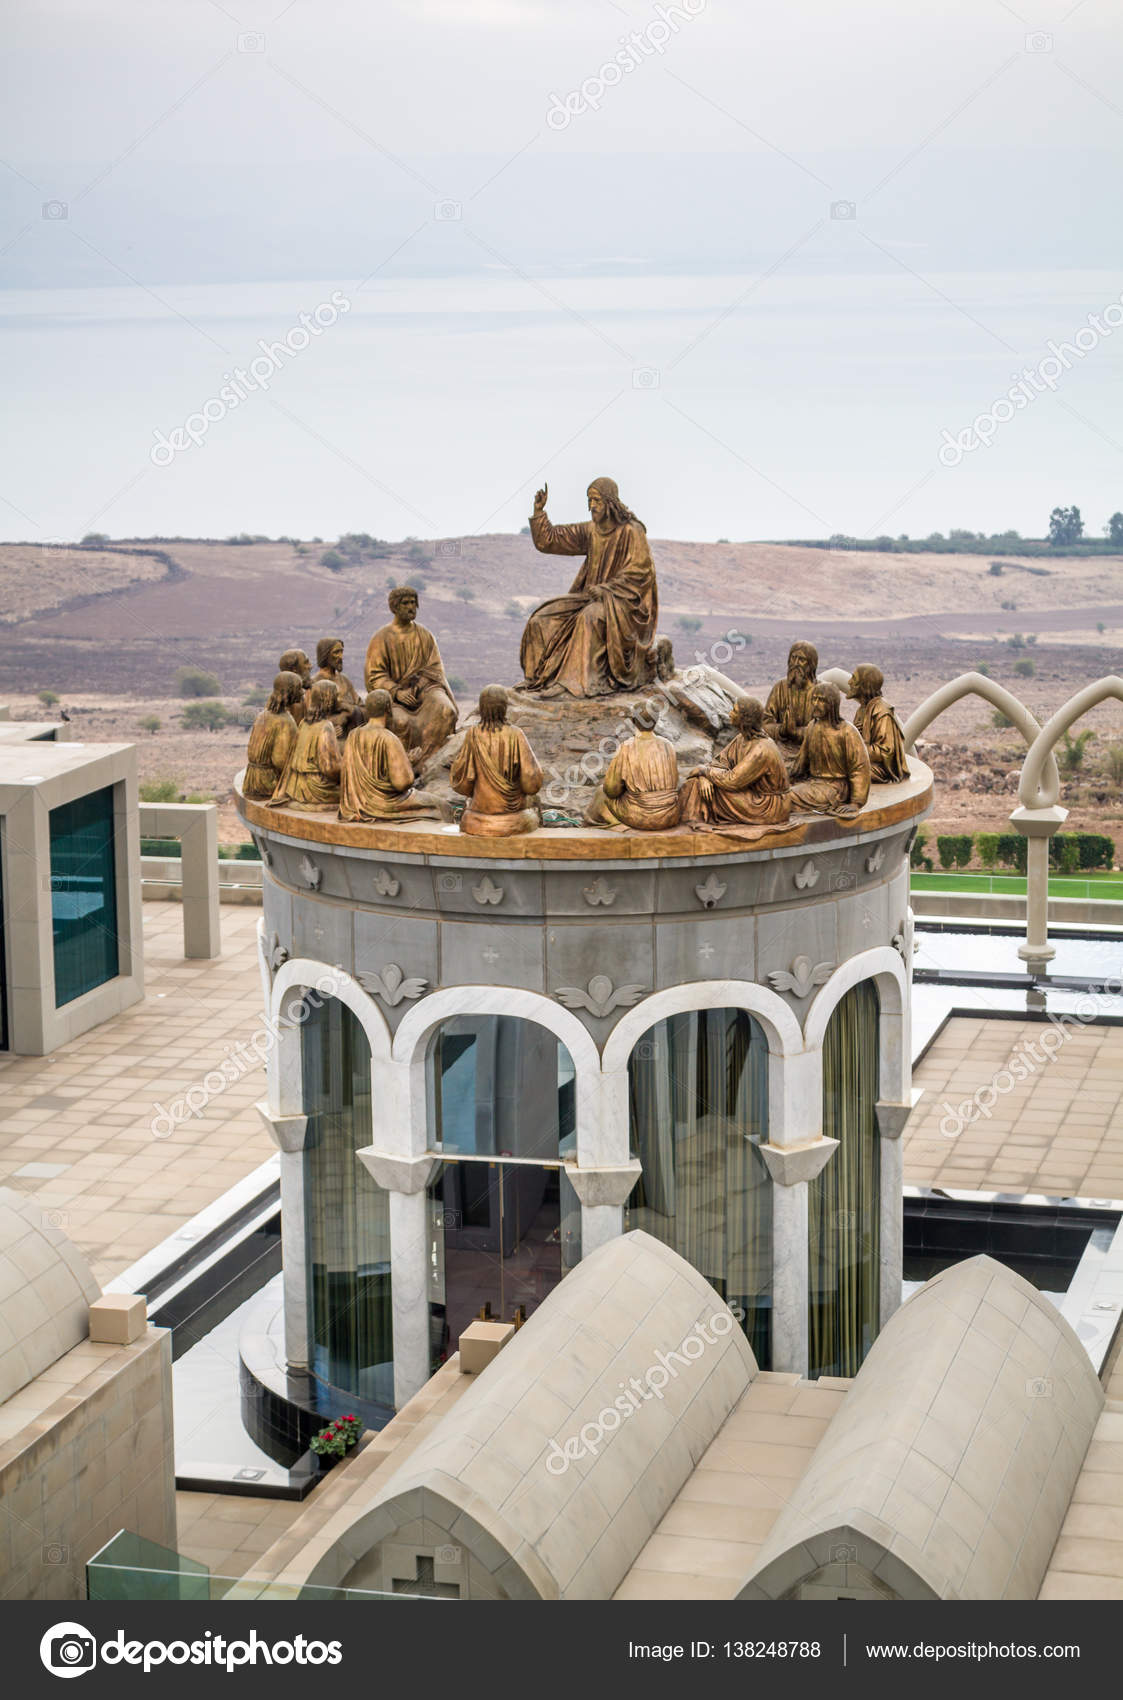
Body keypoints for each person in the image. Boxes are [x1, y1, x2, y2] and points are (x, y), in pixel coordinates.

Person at [519, 477, 657, 696]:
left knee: (589, 617)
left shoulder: (632, 531)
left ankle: (575, 684)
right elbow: (552, 540)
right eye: (589, 500)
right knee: (540, 619)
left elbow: (640, 571)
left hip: (623, 605)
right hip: (589, 597)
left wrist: (607, 589)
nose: (591, 506)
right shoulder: (590, 530)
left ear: (610, 502)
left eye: (596, 500)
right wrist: (539, 513)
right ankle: (537, 681)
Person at [364, 588, 458, 768]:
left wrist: (421, 684)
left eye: (413, 602)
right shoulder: (381, 638)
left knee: (447, 711)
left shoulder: (425, 635)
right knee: (401, 722)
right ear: (394, 607)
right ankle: (404, 766)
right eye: (405, 603)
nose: (411, 607)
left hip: (425, 690)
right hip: (393, 697)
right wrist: (396, 692)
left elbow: (435, 669)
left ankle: (432, 763)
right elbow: (374, 675)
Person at [678, 698, 790, 831]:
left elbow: (732, 780)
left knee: (697, 787)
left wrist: (704, 771)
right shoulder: (742, 739)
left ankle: (689, 823)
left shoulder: (762, 749)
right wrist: (704, 777)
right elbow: (719, 762)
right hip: (753, 796)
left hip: (768, 807)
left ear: (745, 719)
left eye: (735, 711)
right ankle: (689, 820)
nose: (730, 713)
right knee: (698, 783)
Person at [339, 691, 452, 823]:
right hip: (384, 804)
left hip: (356, 803)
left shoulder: (353, 735)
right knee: (443, 807)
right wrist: (410, 763)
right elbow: (402, 783)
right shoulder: (389, 738)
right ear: (388, 708)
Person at [450, 685, 543, 836]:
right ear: (505, 706)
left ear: (481, 707)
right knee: (535, 804)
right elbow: (532, 783)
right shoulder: (516, 734)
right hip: (513, 818)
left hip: (477, 816)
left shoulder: (472, 734)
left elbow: (462, 783)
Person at [583, 703, 681, 831]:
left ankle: (615, 826)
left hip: (642, 816)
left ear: (633, 721)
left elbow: (611, 790)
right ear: (656, 721)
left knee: (600, 793)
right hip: (670, 815)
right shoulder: (668, 746)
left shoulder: (626, 747)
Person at [789, 682, 871, 818]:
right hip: (813, 784)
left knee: (786, 798)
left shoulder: (847, 732)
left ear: (832, 704)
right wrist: (787, 779)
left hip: (835, 789)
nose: (815, 703)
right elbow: (801, 761)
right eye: (814, 699)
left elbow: (860, 768)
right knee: (778, 793)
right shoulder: (812, 727)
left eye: (821, 700)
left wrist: (856, 803)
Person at [269, 679, 342, 810]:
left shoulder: (303, 722)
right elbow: (330, 768)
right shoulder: (326, 726)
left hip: (297, 786)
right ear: (328, 700)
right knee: (354, 795)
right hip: (315, 788)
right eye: (337, 697)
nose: (340, 700)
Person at [243, 671, 302, 799]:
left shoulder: (263, 715)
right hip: (268, 784)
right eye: (299, 689)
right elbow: (281, 761)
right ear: (290, 692)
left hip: (251, 780)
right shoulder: (285, 721)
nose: (302, 692)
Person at [847, 663, 909, 783]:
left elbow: (885, 751)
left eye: (854, 679)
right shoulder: (862, 709)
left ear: (864, 685)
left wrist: (855, 750)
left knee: (846, 772)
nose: (849, 682)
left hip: (881, 769)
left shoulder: (881, 712)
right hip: (864, 761)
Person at [764, 641, 819, 753]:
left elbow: (826, 729)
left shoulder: (821, 691)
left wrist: (797, 732)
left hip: (810, 750)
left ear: (811, 665)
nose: (796, 663)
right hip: (781, 747)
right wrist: (781, 730)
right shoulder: (780, 687)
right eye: (793, 658)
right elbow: (764, 724)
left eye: (801, 660)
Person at [315, 637, 362, 740]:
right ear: (325, 654)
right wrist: (330, 727)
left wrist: (345, 715)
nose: (341, 657)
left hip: (351, 732)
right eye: (336, 652)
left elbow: (359, 704)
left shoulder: (344, 680)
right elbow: (311, 718)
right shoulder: (316, 682)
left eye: (341, 652)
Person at [278, 648, 312, 723]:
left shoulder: (301, 697)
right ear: (294, 669)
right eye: (306, 663)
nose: (310, 666)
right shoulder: (286, 700)